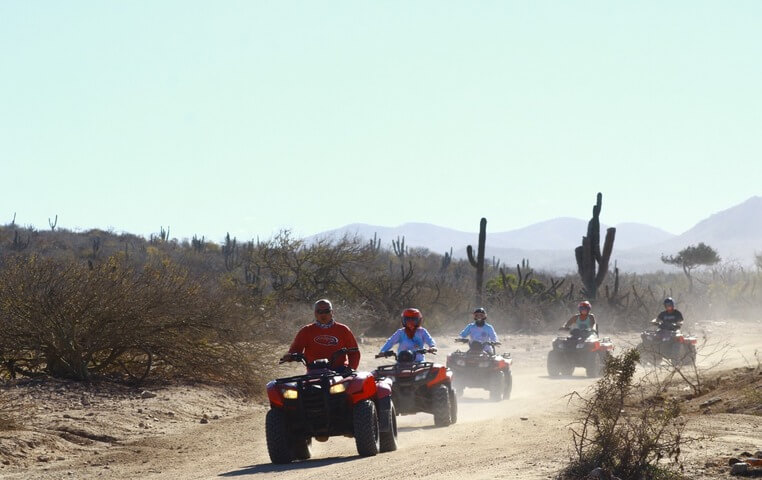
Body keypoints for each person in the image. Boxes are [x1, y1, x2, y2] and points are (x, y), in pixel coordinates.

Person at [281, 299, 360, 372]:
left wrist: (351, 368)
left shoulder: (343, 330)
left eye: (326, 311)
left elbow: (354, 352)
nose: (323, 314)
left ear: (332, 312)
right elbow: (295, 349)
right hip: (314, 371)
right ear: (315, 313)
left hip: (339, 371)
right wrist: (290, 356)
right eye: (320, 311)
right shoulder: (306, 330)